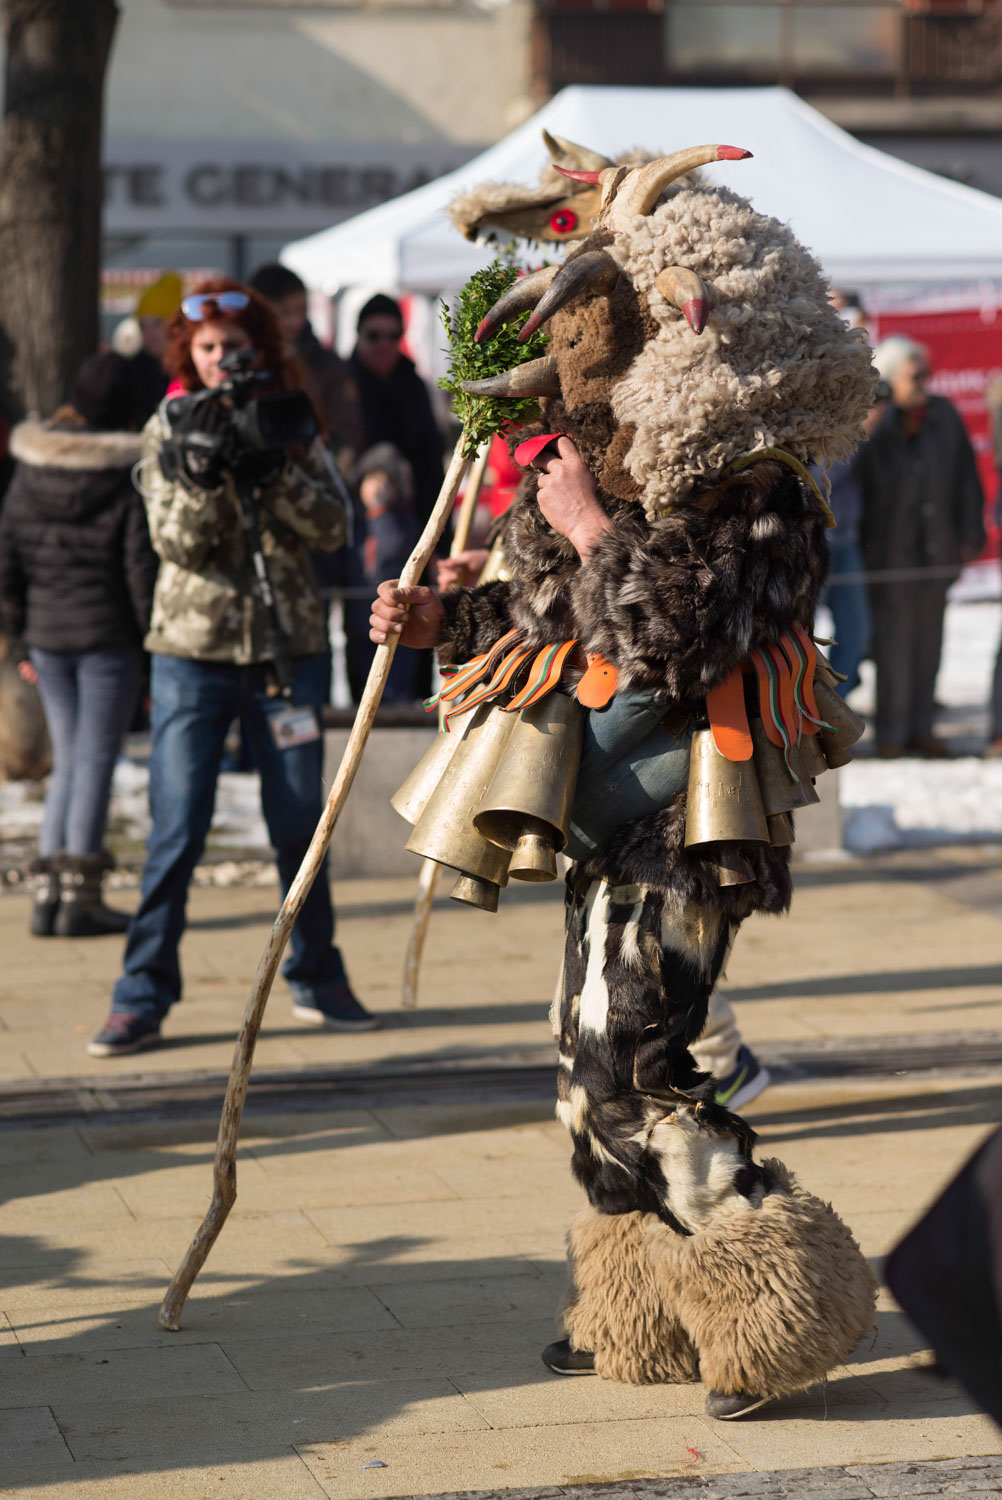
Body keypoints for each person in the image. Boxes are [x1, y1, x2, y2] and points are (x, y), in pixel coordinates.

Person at [372, 144, 877, 1418]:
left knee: (634, 1058)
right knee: (579, 1053)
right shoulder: (583, 463)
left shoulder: (756, 480)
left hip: (694, 815)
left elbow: (687, 631)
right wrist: (440, 613)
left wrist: (597, 529)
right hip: (600, 794)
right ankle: (638, 1308)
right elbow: (542, 614)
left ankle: (779, 1302)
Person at [88, 278, 377, 1058]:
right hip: (192, 656)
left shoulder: (291, 420)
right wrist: (208, 470)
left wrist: (274, 467)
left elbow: (331, 528)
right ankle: (140, 996)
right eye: (210, 349)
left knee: (298, 830)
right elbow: (177, 544)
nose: (224, 362)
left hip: (288, 655)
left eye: (238, 349)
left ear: (261, 351)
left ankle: (320, 978)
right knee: (175, 833)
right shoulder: (170, 424)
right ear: (190, 352)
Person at [0, 352, 157, 937]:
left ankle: (48, 891)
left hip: (44, 638)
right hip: (105, 640)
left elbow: (7, 559)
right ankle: (80, 897)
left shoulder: (30, 466)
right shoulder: (121, 477)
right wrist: (148, 644)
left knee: (71, 759)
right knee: (91, 761)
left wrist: (17, 637)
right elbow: (138, 570)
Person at [856, 337, 985, 758]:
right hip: (889, 555)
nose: (925, 383)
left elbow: (966, 475)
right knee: (893, 647)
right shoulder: (875, 423)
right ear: (890, 381)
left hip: (936, 554)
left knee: (929, 646)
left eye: (927, 374)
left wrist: (971, 531)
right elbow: (853, 484)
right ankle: (892, 735)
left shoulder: (943, 415)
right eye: (916, 377)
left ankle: (922, 727)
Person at [248, 263, 364, 467]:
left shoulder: (326, 365)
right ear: (259, 312)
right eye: (284, 313)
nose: (295, 321)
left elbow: (348, 433)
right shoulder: (240, 360)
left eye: (301, 310)